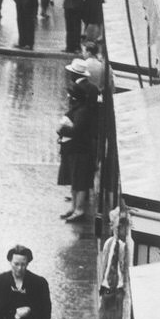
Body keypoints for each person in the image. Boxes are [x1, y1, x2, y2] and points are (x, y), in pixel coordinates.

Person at [57, 74, 98, 223]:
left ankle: (79, 209)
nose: (68, 96)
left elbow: (76, 131)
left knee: (80, 182)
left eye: (71, 95)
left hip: (81, 151)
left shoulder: (82, 111)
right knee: (75, 180)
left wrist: (62, 130)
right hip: (75, 151)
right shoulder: (78, 109)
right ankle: (74, 207)